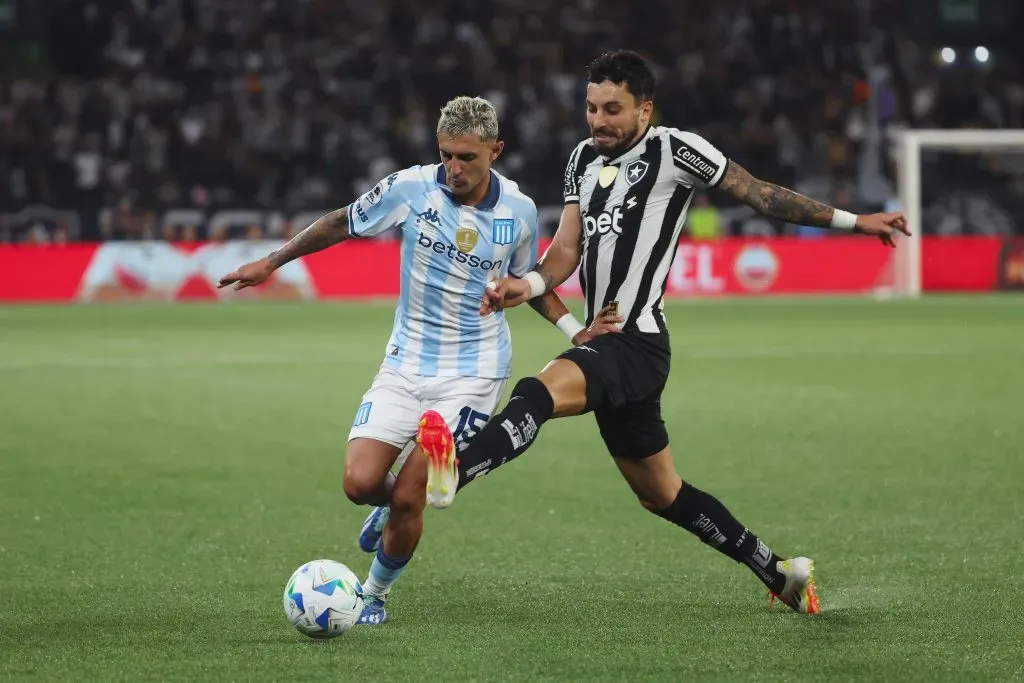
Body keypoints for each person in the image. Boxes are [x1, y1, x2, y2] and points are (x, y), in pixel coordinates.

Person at [414, 51, 911, 614]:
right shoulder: (581, 159)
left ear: (644, 108)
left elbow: (760, 193)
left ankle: (458, 467)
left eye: (612, 109)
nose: (598, 121)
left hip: (637, 340)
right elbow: (565, 254)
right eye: (591, 108)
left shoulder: (676, 150)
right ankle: (779, 572)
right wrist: (524, 287)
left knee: (538, 391)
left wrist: (854, 221)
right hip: (611, 345)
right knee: (663, 494)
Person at [218, 95, 620, 625]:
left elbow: (531, 285)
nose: (454, 168)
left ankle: (373, 595)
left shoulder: (518, 212)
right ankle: (391, 508)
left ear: (495, 151)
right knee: (359, 484)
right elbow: (343, 222)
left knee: (413, 494)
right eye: (447, 155)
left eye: (467, 158)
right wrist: (273, 261)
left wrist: (575, 330)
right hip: (405, 363)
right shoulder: (411, 188)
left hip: (473, 371)